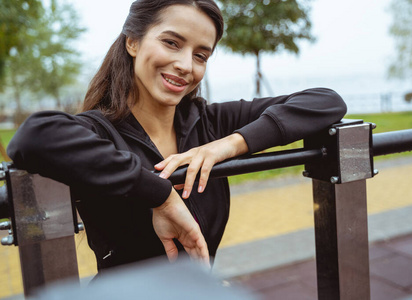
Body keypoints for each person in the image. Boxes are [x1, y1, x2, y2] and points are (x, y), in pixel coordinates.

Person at [7, 0, 347, 273]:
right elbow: (33, 137)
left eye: (201, 55)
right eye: (172, 43)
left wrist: (228, 145)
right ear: (133, 42)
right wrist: (161, 195)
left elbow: (325, 101)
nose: (186, 65)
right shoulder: (99, 131)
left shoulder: (211, 124)